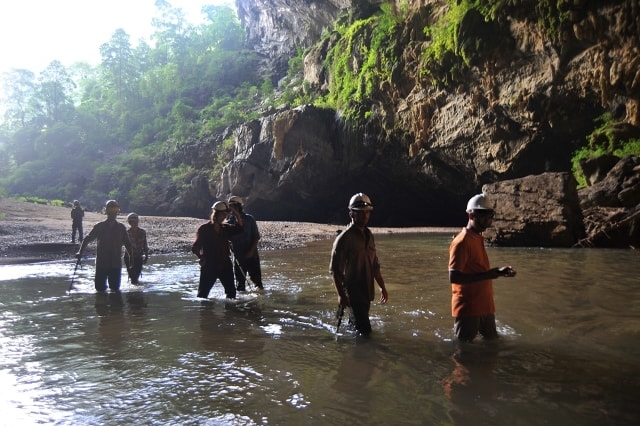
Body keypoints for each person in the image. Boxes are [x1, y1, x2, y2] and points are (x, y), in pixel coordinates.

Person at [448, 193, 517, 342]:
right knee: (464, 350)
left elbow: (476, 269)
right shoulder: (462, 242)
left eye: (489, 214)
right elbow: (454, 277)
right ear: (471, 215)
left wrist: (498, 272)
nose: (488, 218)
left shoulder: (477, 238)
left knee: (493, 345)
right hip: (469, 307)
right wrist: (489, 275)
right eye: (483, 214)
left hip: (484, 304)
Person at [330, 193, 388, 336]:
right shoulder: (344, 239)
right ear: (351, 214)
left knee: (355, 328)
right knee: (366, 333)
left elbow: (375, 265)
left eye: (367, 212)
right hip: (353, 293)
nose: (364, 216)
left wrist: (382, 287)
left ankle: (350, 351)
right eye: (360, 213)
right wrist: (342, 296)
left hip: (366, 291)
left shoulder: (369, 236)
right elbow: (335, 272)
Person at [76, 199, 133, 292]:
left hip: (115, 264)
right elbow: (87, 239)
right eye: (110, 211)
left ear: (117, 212)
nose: (112, 213)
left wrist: (131, 258)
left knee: (115, 291)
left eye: (114, 211)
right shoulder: (99, 226)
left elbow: (128, 244)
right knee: (99, 290)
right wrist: (80, 252)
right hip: (101, 264)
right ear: (106, 211)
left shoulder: (121, 227)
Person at [192, 201, 244, 299]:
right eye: (223, 214)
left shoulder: (225, 228)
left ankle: (230, 313)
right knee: (203, 295)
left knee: (231, 294)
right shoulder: (204, 229)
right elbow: (195, 247)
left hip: (225, 265)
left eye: (226, 214)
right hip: (209, 265)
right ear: (215, 215)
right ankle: (205, 313)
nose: (225, 217)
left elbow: (240, 228)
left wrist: (236, 214)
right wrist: (201, 258)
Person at [227, 195, 264, 291]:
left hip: (252, 256)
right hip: (238, 257)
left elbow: (256, 237)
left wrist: (251, 251)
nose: (231, 208)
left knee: (257, 282)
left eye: (232, 206)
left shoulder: (249, 219)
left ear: (238, 206)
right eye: (229, 206)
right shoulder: (229, 221)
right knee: (240, 285)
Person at [125, 212, 149, 284]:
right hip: (129, 258)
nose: (135, 223)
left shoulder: (142, 232)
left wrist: (146, 256)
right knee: (133, 277)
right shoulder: (126, 233)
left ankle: (136, 293)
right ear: (130, 223)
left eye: (136, 221)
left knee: (137, 276)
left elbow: (145, 245)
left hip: (139, 257)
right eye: (132, 222)